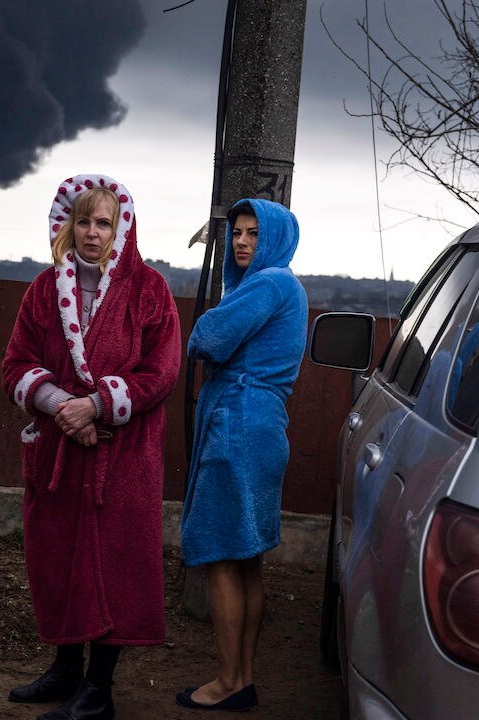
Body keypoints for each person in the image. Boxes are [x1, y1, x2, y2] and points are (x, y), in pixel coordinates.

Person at [2, 174, 181, 720]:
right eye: (84, 221)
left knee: (112, 564)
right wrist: (61, 404)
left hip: (122, 458)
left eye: (104, 222)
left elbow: (161, 371)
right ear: (66, 224)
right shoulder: (41, 290)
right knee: (58, 559)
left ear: (121, 226)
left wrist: (99, 405)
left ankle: (98, 690)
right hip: (61, 451)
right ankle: (65, 671)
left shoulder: (149, 290)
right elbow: (15, 365)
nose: (93, 232)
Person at [176, 198, 308, 712]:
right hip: (262, 424)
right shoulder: (282, 287)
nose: (242, 241)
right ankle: (242, 678)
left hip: (238, 423)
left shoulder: (271, 283)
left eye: (254, 232)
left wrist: (207, 321)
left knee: (221, 559)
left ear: (275, 237)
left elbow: (208, 338)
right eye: (237, 232)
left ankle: (229, 681)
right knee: (245, 560)